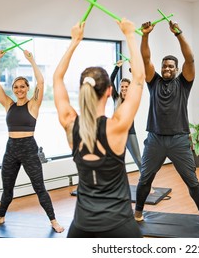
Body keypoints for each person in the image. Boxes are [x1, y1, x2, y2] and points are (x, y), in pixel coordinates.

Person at [53, 18, 144, 238]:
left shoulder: (69, 123)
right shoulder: (117, 126)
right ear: (109, 91)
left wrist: (74, 41)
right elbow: (139, 78)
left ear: (82, 89)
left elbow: (57, 78)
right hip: (120, 226)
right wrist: (130, 35)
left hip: (82, 227)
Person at [134, 20, 199, 234]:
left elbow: (190, 58)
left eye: (171, 66)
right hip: (155, 139)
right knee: (145, 179)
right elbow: (145, 58)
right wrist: (145, 35)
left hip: (179, 139)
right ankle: (137, 213)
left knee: (192, 181)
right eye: (165, 66)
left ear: (177, 69)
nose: (167, 69)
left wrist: (178, 34)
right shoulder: (154, 81)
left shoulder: (184, 82)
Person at [0, 49, 64, 233]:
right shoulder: (8, 104)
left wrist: (32, 60)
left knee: (39, 187)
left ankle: (53, 220)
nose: (19, 89)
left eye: (22, 86)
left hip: (28, 149)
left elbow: (40, 82)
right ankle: (0, 216)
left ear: (27, 88)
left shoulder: (33, 104)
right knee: (7, 188)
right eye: (16, 87)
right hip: (10, 149)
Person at [110, 60, 142, 171]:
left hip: (129, 134)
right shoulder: (116, 98)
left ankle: (146, 184)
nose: (124, 88)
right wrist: (117, 68)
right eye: (122, 86)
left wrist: (132, 67)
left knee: (138, 160)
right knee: (118, 161)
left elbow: (137, 82)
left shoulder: (132, 99)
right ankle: (119, 185)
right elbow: (110, 81)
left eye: (126, 87)